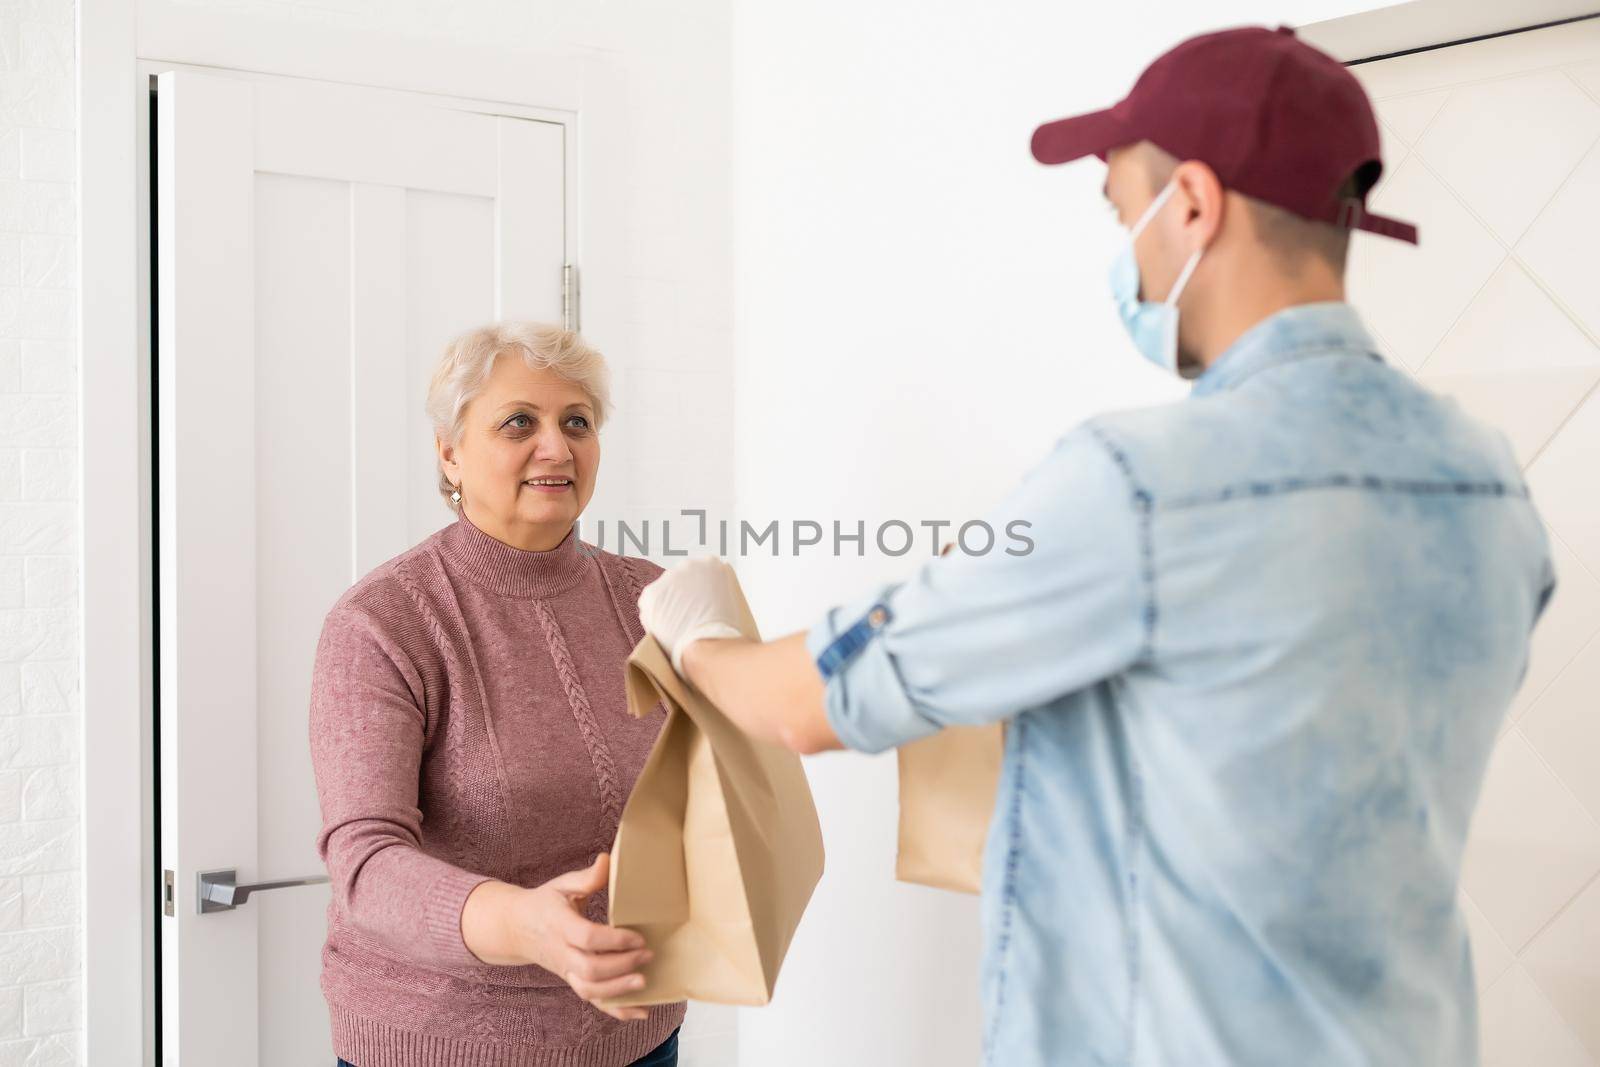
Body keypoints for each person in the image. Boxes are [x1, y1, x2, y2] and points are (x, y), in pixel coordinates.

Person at [636, 27, 1554, 1067]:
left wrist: (697, 632)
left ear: (1195, 206)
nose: (1128, 253)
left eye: (1126, 214)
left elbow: (807, 706)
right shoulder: (1486, 480)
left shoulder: (1139, 485)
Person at [309, 322, 683, 1066]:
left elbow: (698, 788)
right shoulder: (383, 621)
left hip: (640, 1035)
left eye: (576, 421)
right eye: (519, 421)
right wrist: (525, 925)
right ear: (449, 450)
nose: (556, 446)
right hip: (440, 1045)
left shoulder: (654, 597)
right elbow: (366, 862)